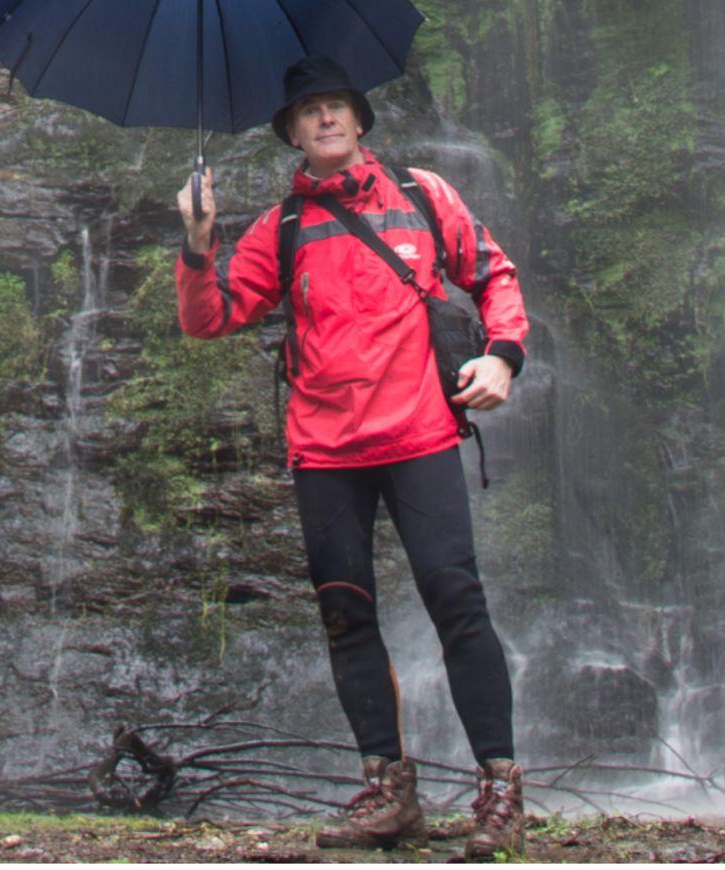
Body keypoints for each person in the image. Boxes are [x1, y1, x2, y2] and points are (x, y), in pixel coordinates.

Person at [174, 55, 530, 855]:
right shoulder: (281, 230)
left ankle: (500, 790)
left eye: (336, 105)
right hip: (327, 451)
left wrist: (504, 356)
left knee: (457, 602)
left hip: (419, 436)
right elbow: (210, 317)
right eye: (309, 111)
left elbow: (493, 274)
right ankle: (388, 792)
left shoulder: (422, 196)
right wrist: (198, 243)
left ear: (361, 120)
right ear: (293, 134)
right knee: (345, 615)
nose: (326, 117)